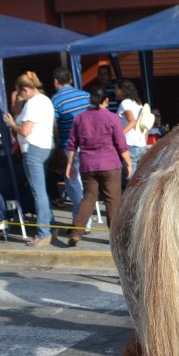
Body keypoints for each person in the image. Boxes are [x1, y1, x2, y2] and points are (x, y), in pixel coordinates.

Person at [65, 90, 131, 247]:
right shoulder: (112, 118)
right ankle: (114, 237)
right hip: (110, 164)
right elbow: (121, 143)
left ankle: (76, 233)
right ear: (106, 99)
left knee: (88, 198)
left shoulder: (79, 118)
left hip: (88, 165)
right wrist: (128, 162)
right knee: (112, 200)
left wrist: (69, 164)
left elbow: (72, 143)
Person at [3, 71, 56, 247]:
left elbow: (25, 131)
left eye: (20, 92)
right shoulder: (46, 100)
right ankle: (50, 226)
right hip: (46, 146)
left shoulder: (32, 104)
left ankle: (43, 232)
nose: (20, 96)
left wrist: (12, 124)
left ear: (25, 89)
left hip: (33, 148)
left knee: (38, 192)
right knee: (42, 190)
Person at [51, 67, 92, 230]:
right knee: (88, 182)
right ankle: (82, 218)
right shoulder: (86, 95)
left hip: (70, 146)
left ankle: (82, 221)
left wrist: (58, 145)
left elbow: (54, 126)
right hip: (90, 145)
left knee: (73, 183)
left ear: (55, 82)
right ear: (71, 80)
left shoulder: (55, 100)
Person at [115, 79, 148, 179]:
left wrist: (119, 135)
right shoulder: (138, 103)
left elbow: (132, 121)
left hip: (130, 144)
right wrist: (144, 142)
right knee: (140, 177)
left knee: (130, 178)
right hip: (141, 144)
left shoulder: (125, 103)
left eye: (116, 89)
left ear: (122, 90)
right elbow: (145, 125)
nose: (115, 92)